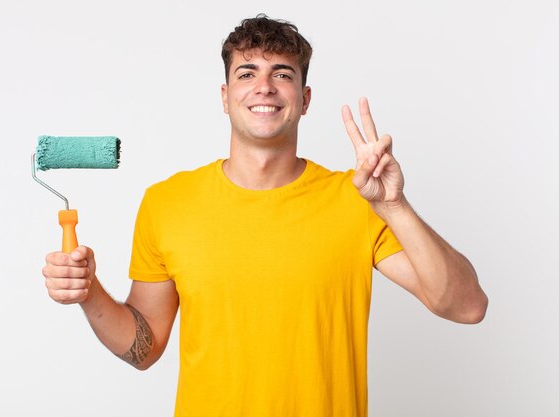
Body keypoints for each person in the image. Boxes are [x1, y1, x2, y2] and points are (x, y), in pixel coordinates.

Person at [41, 14, 488, 417]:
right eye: (247, 73)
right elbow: (144, 349)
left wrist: (394, 206)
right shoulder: (167, 202)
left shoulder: (356, 200)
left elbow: (467, 307)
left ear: (305, 98)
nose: (265, 87)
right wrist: (88, 292)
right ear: (225, 95)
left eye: (282, 74)